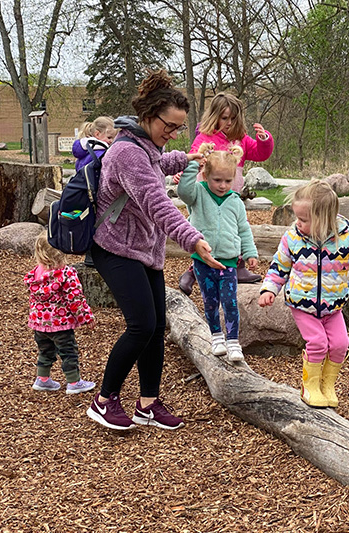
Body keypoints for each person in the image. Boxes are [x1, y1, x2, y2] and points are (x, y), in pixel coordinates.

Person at [85, 70, 224, 432]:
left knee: (157, 325)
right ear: (149, 115)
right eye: (170, 125)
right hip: (115, 248)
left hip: (144, 249)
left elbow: (158, 163)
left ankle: (148, 403)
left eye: (179, 128)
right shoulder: (127, 153)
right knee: (141, 325)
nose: (173, 132)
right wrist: (192, 238)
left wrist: (188, 157)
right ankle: (104, 400)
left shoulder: (145, 147)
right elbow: (156, 203)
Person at [258, 180, 349, 408]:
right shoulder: (292, 239)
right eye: (298, 218)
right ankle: (310, 386)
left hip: (333, 305)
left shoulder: (346, 238)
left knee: (340, 344)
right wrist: (269, 288)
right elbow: (280, 266)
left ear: (324, 220)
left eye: (304, 219)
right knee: (317, 342)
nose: (298, 223)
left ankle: (327, 384)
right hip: (302, 304)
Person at [177, 92, 274, 290]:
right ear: (214, 116)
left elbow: (259, 154)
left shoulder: (242, 139)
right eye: (224, 118)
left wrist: (264, 140)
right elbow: (194, 156)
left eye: (232, 118)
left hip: (231, 193)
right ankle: (193, 270)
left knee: (234, 227)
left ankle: (237, 265)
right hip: (207, 193)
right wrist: (182, 173)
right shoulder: (206, 137)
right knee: (208, 230)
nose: (229, 122)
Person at [177, 142, 258, 363]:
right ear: (205, 176)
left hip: (228, 262)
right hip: (203, 261)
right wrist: (193, 165)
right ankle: (216, 337)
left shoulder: (235, 202)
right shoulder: (198, 194)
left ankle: (233, 341)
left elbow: (243, 229)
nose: (223, 185)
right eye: (217, 180)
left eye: (228, 181)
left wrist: (250, 252)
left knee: (230, 302)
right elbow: (183, 191)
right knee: (210, 301)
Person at [26, 231, 96, 394]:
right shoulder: (66, 273)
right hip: (60, 324)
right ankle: (73, 382)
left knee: (45, 351)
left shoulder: (37, 273)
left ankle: (42, 379)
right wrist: (86, 317)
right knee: (68, 352)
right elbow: (75, 298)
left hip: (39, 324)